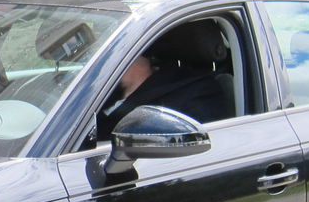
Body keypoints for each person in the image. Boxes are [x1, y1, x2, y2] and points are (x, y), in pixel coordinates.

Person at [96, 51, 232, 139]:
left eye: (111, 59)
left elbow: (198, 144)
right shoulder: (103, 93)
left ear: (140, 59)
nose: (103, 68)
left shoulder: (196, 92)